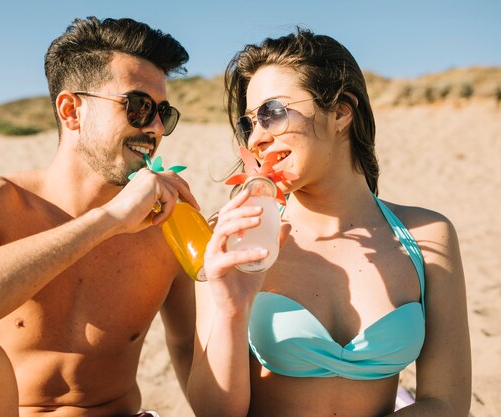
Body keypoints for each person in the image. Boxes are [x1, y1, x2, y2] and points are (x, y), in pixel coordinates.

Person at [0, 17, 198, 417]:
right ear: (71, 111)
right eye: (138, 107)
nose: (155, 128)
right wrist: (106, 221)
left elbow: (192, 347)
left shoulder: (166, 221)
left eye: (163, 113)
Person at [187, 28, 471, 417]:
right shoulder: (233, 234)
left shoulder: (428, 236)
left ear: (340, 111)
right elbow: (213, 412)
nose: (256, 138)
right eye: (248, 124)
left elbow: (447, 403)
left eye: (271, 113)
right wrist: (231, 309)